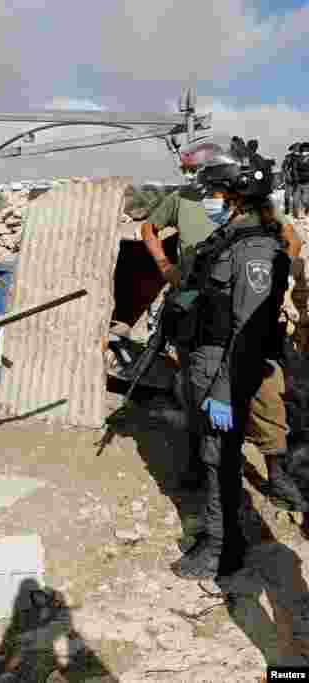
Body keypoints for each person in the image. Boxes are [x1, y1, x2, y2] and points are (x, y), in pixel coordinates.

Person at [141, 140, 306, 512]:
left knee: (264, 394)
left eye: (196, 171)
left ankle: (275, 473)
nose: (192, 179)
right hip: (199, 316)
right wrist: (168, 270)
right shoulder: (183, 200)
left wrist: (279, 282)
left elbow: (290, 241)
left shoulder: (249, 209)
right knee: (199, 390)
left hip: (247, 315)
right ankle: (202, 464)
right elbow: (148, 229)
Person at [167, 137, 292, 580]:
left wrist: (222, 390)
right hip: (206, 362)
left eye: (215, 195)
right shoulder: (228, 239)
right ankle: (221, 534)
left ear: (236, 197)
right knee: (211, 455)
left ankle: (224, 549)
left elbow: (250, 331)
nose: (209, 203)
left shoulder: (255, 250)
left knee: (220, 458)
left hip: (225, 369)